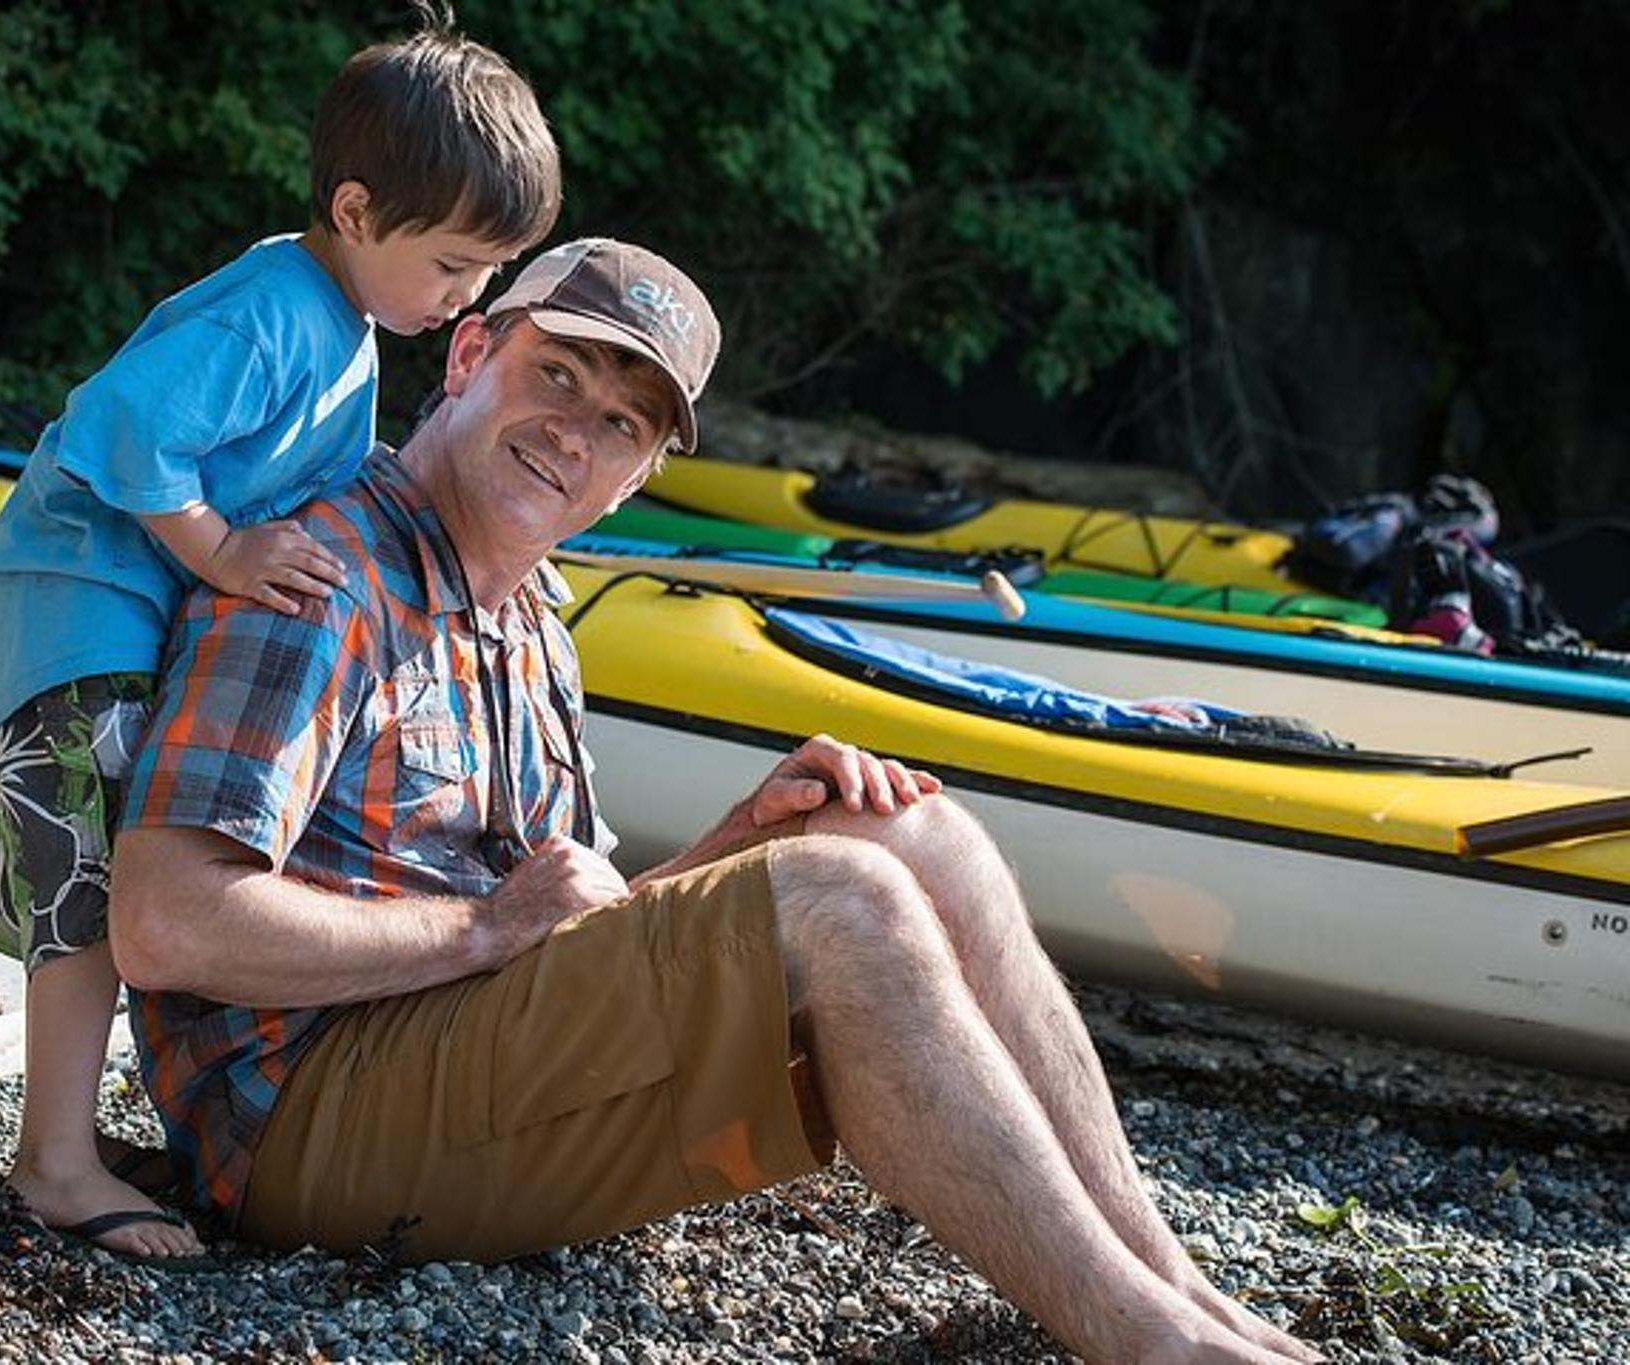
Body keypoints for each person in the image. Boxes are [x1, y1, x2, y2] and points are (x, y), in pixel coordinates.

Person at [106, 238, 1320, 1361]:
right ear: (468, 353)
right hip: (300, 1125)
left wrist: (738, 845)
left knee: (905, 830)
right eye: (558, 374)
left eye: (622, 420)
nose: (575, 430)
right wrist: (487, 928)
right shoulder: (326, 577)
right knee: (839, 900)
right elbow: (163, 923)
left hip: (455, 1057)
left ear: (638, 475)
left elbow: (563, 933)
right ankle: (1145, 1343)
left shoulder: (533, 625)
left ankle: (1178, 1289)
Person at [0, 10, 560, 1261]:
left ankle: (64, 1136)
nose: (469, 298)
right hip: (78, 607)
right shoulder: (274, 313)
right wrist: (222, 556)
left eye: (489, 274)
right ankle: (55, 1163)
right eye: (454, 267)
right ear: (354, 210)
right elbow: (117, 428)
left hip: (121, 615)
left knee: (116, 862)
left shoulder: (342, 323)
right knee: (85, 892)